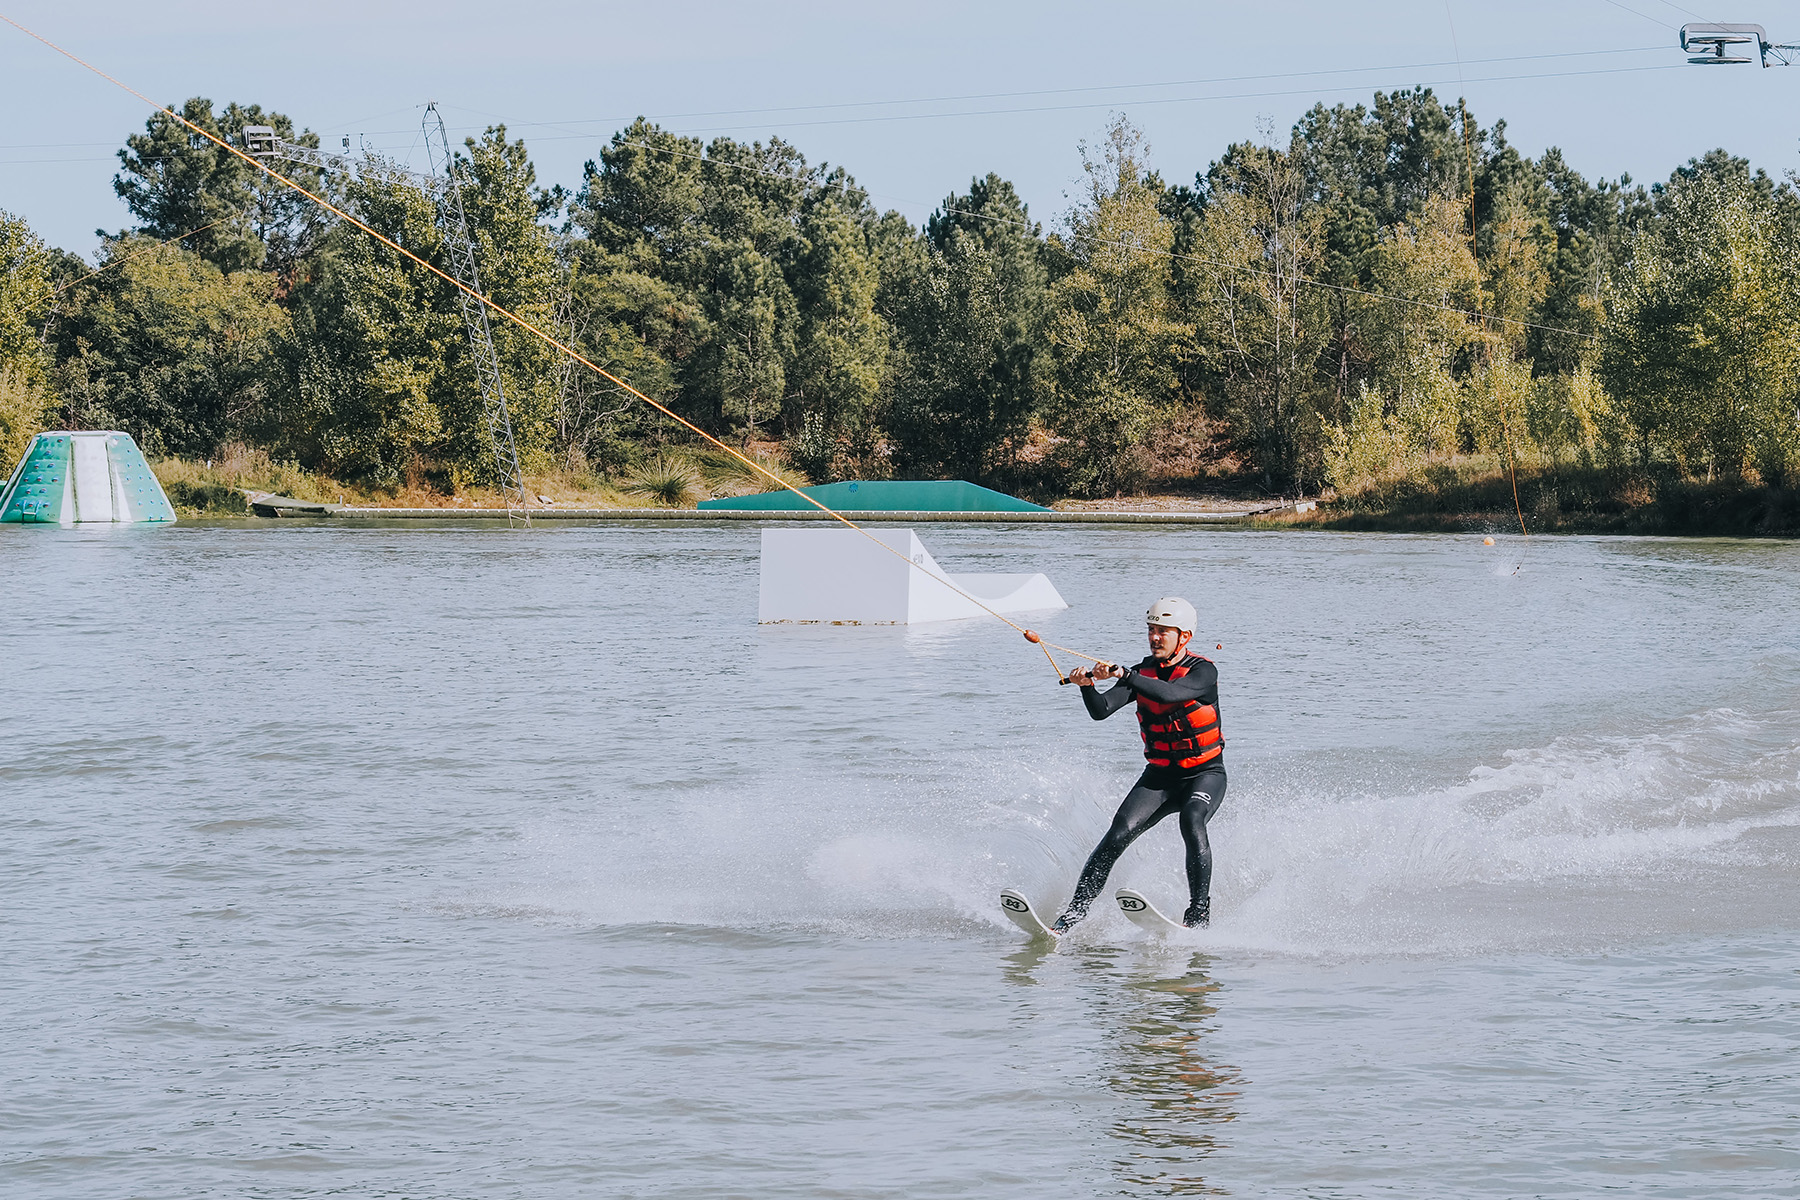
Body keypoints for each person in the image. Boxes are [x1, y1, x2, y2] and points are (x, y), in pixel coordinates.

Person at [1053, 597, 1226, 931]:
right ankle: (1073, 915)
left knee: (1192, 819)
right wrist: (1087, 687)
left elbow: (1168, 694)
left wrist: (1124, 673)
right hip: (1160, 778)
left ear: (1184, 636)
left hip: (1205, 775)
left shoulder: (1203, 672)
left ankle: (1198, 914)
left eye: (1163, 631)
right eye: (1151, 630)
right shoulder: (1141, 672)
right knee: (1117, 834)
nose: (1155, 637)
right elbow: (1101, 710)